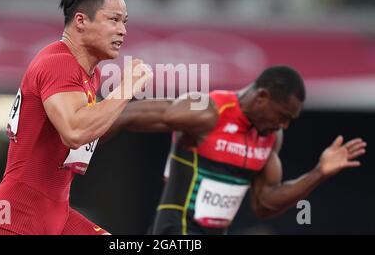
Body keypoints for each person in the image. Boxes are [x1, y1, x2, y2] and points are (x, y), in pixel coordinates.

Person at [0, 0, 152, 235]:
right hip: (10, 222)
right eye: (113, 20)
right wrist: (125, 89)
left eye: (125, 22)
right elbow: (75, 131)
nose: (122, 31)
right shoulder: (59, 64)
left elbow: (82, 135)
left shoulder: (90, 75)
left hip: (53, 216)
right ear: (80, 21)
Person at [110, 66, 367, 235]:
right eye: (282, 115)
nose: (284, 125)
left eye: (290, 120)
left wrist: (319, 173)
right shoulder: (208, 111)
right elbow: (125, 114)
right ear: (262, 97)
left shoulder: (271, 138)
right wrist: (75, 149)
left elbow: (263, 204)